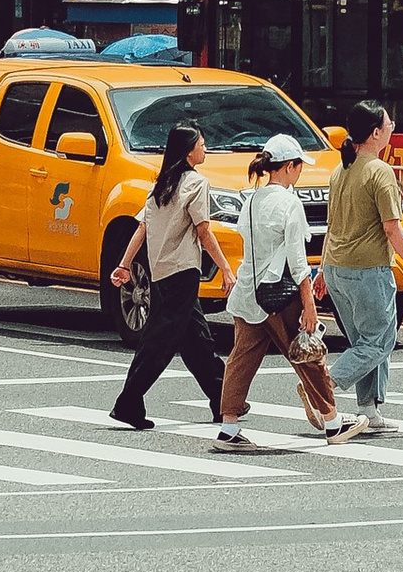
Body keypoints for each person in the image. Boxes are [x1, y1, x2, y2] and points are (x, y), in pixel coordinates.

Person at [215, 139, 358, 451]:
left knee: (241, 360)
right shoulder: (289, 203)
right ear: (289, 166)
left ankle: (228, 427)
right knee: (307, 355)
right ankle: (333, 421)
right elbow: (297, 261)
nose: (300, 172)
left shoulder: (251, 199)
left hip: (249, 293)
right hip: (280, 296)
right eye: (299, 166)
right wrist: (309, 304)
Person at [107, 118, 228, 432]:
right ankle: (128, 401)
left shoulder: (161, 184)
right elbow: (204, 232)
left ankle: (223, 399)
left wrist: (124, 264)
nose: (205, 149)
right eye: (202, 144)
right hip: (183, 271)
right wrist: (226, 269)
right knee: (159, 342)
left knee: (197, 340)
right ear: (189, 152)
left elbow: (142, 228)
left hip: (161, 272)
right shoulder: (197, 184)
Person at [322, 98, 403, 437]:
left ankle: (369, 410)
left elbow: (331, 224)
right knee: (379, 342)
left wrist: (322, 270)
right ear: (374, 134)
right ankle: (322, 385)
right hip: (367, 269)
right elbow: (392, 227)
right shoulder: (379, 171)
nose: (392, 128)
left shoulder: (341, 169)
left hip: (337, 268)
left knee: (364, 341)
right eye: (388, 125)